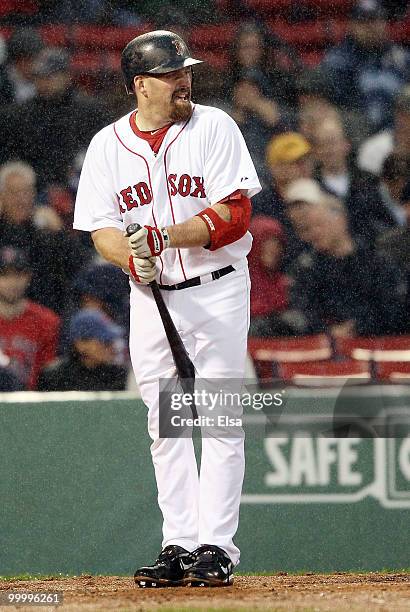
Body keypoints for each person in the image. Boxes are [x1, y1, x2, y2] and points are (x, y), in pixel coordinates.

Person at [73, 30, 261, 587]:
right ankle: (180, 543)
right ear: (140, 86)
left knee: (219, 416)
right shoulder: (108, 144)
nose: (185, 82)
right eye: (172, 74)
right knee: (168, 425)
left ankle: (217, 547)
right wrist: (132, 261)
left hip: (218, 286)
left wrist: (161, 238)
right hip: (151, 298)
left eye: (187, 72)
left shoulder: (214, 126)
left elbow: (234, 215)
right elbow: (102, 229)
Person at [288, 199, 405, 337]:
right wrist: (328, 331)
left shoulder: (375, 261)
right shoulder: (307, 268)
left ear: (341, 221)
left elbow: (394, 306)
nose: (314, 233)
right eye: (309, 228)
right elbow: (301, 312)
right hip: (328, 346)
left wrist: (359, 327)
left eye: (319, 225)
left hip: (377, 341)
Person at [0, 161, 82, 314]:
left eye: (26, 192)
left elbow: (77, 265)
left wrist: (59, 230)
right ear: (2, 196)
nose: (21, 200)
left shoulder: (46, 232)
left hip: (44, 316)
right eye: (14, 193)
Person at [321, 0, 410, 134]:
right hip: (355, 132)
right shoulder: (338, 60)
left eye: (376, 20)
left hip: (398, 129)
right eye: (364, 22)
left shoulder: (401, 57)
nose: (371, 27)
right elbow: (334, 105)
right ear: (352, 25)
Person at [0, 246, 60, 389]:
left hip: (31, 403)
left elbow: (49, 373)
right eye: (5, 275)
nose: (12, 282)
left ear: (28, 276)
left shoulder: (47, 321)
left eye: (18, 274)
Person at [38, 308, 127, 391]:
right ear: (81, 344)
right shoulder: (55, 377)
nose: (112, 347)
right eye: (106, 341)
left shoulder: (118, 376)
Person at [248, 216, 291, 337]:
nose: (274, 249)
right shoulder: (239, 283)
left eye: (277, 243)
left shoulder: (286, 283)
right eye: (266, 242)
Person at [358, 86, 410, 176]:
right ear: (396, 114)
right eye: (402, 113)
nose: (405, 119)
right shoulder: (374, 148)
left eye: (407, 115)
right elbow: (365, 187)